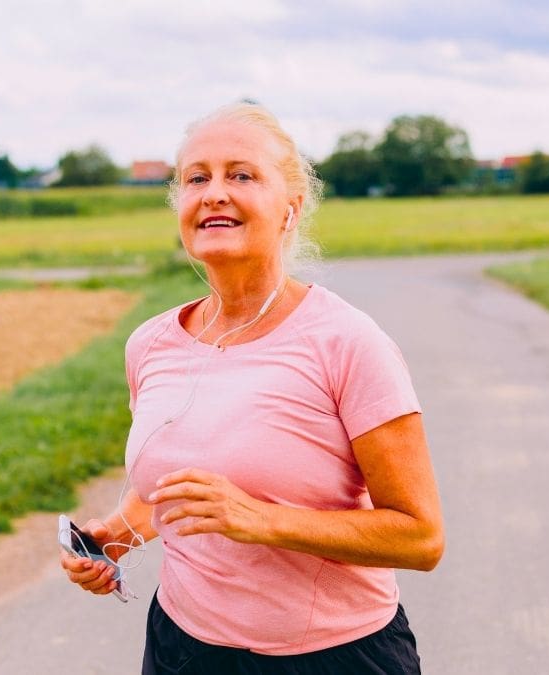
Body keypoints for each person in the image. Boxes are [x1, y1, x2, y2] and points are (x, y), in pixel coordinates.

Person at [61, 102, 444, 674]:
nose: (214, 192)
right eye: (197, 178)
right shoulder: (150, 344)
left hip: (334, 657)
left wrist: (261, 520)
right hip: (182, 650)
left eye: (241, 174)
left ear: (290, 209)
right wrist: (115, 538)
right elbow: (171, 491)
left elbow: (421, 537)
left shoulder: (348, 342)